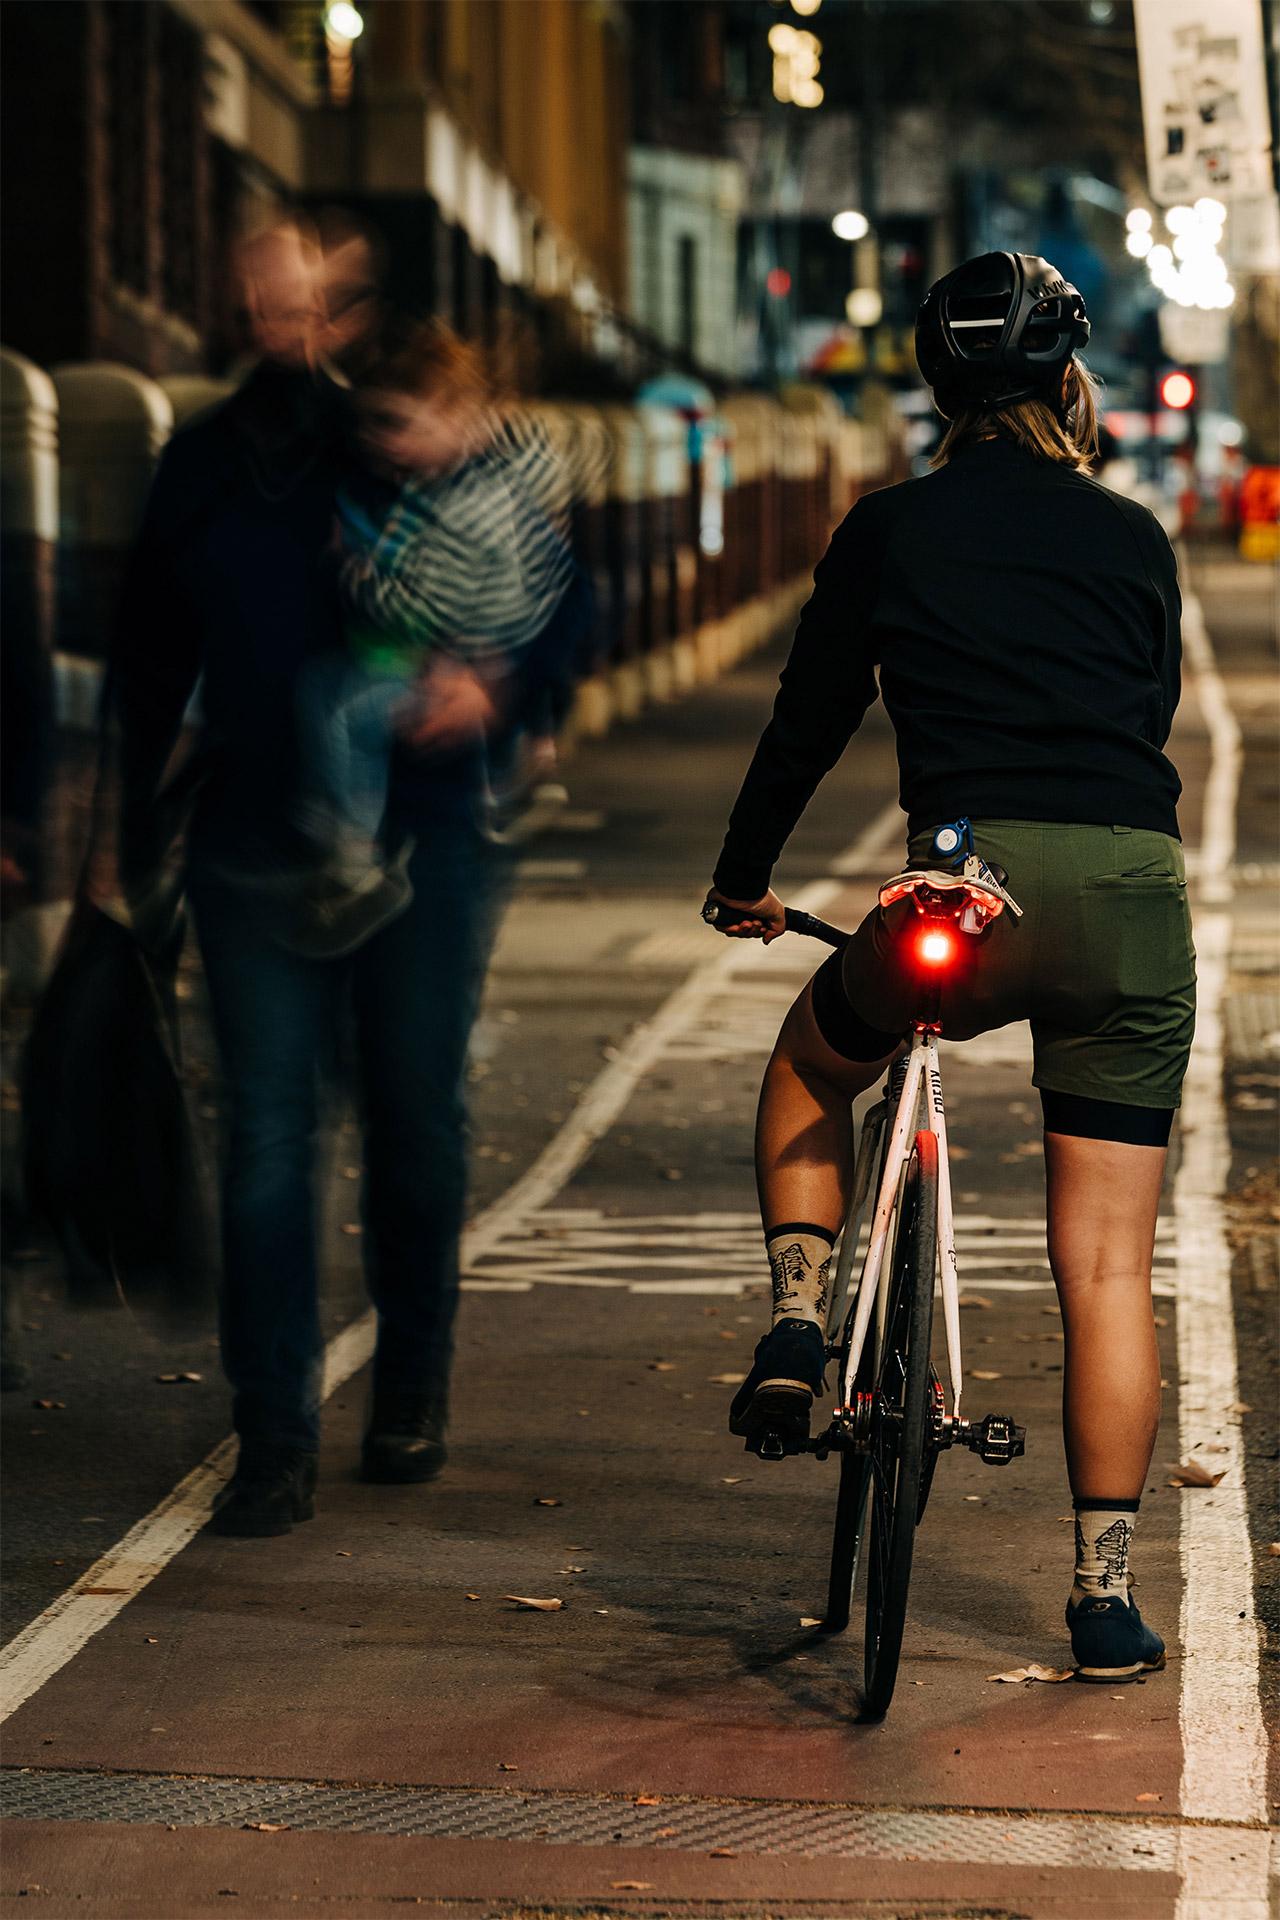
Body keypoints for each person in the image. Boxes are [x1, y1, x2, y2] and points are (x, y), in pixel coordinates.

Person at [704, 252, 1190, 1684]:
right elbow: (1147, 711)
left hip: (963, 897)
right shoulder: (1133, 537)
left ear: (935, 388)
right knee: (1107, 1265)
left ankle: (799, 1321)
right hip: (1130, 894)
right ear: (1067, 381)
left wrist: (744, 878)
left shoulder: (888, 530)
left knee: (814, 1063)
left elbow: (806, 720)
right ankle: (1103, 1599)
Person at [103, 221, 514, 1535]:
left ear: (341, 306)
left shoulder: (396, 428)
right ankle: (272, 1432)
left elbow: (545, 580)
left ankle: (411, 1389)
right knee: (269, 1144)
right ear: (234, 305)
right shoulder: (203, 461)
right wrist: (122, 839)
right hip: (249, 846)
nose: (281, 322)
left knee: (415, 1125)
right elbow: (147, 654)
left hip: (422, 844)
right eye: (258, 300)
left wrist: (504, 686)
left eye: (303, 300)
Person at [292, 323, 572, 956]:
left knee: (337, 709)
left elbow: (420, 607)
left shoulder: (463, 505)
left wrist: (350, 571)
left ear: (457, 418)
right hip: (451, 668)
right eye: (370, 425)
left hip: (438, 671)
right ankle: (513, 773)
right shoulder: (465, 484)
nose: (379, 440)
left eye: (396, 424)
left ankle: (352, 849)